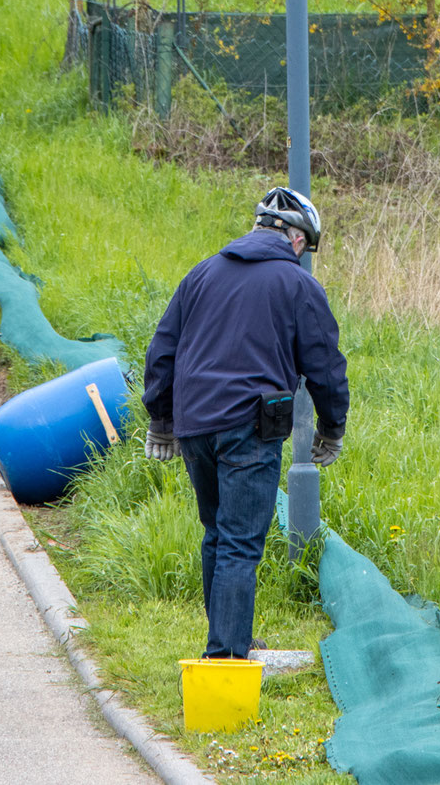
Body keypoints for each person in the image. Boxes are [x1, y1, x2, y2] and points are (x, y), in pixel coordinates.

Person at [142, 188, 349, 661]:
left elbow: (163, 349)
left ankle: (227, 638)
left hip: (194, 424)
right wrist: (331, 426)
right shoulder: (297, 285)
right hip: (250, 425)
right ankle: (227, 657)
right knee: (239, 542)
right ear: (297, 240)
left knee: (217, 532)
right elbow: (324, 364)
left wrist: (161, 420)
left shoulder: (203, 272)